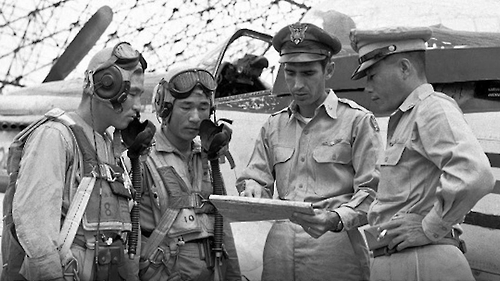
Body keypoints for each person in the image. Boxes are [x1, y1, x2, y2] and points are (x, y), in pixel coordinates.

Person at [237, 22, 382, 281]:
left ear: (329, 70)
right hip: (279, 249)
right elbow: (256, 177)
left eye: (308, 73)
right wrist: (253, 188)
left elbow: (373, 192)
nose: (297, 84)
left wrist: (336, 218)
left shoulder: (357, 122)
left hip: (334, 248)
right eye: (290, 73)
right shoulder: (274, 125)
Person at [349, 26, 495, 281]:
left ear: (405, 68)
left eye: (372, 76)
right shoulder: (409, 117)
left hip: (422, 262)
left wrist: (430, 228)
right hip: (403, 260)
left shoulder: (432, 108)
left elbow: (476, 174)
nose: (367, 88)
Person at [8, 42, 149, 280]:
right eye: (132, 93)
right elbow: (35, 229)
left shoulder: (109, 146)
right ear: (105, 86)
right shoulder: (56, 136)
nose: (138, 106)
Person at [137, 65, 241, 281]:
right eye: (186, 107)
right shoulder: (143, 158)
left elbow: (224, 227)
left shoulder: (208, 160)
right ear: (164, 109)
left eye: (203, 107)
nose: (196, 117)